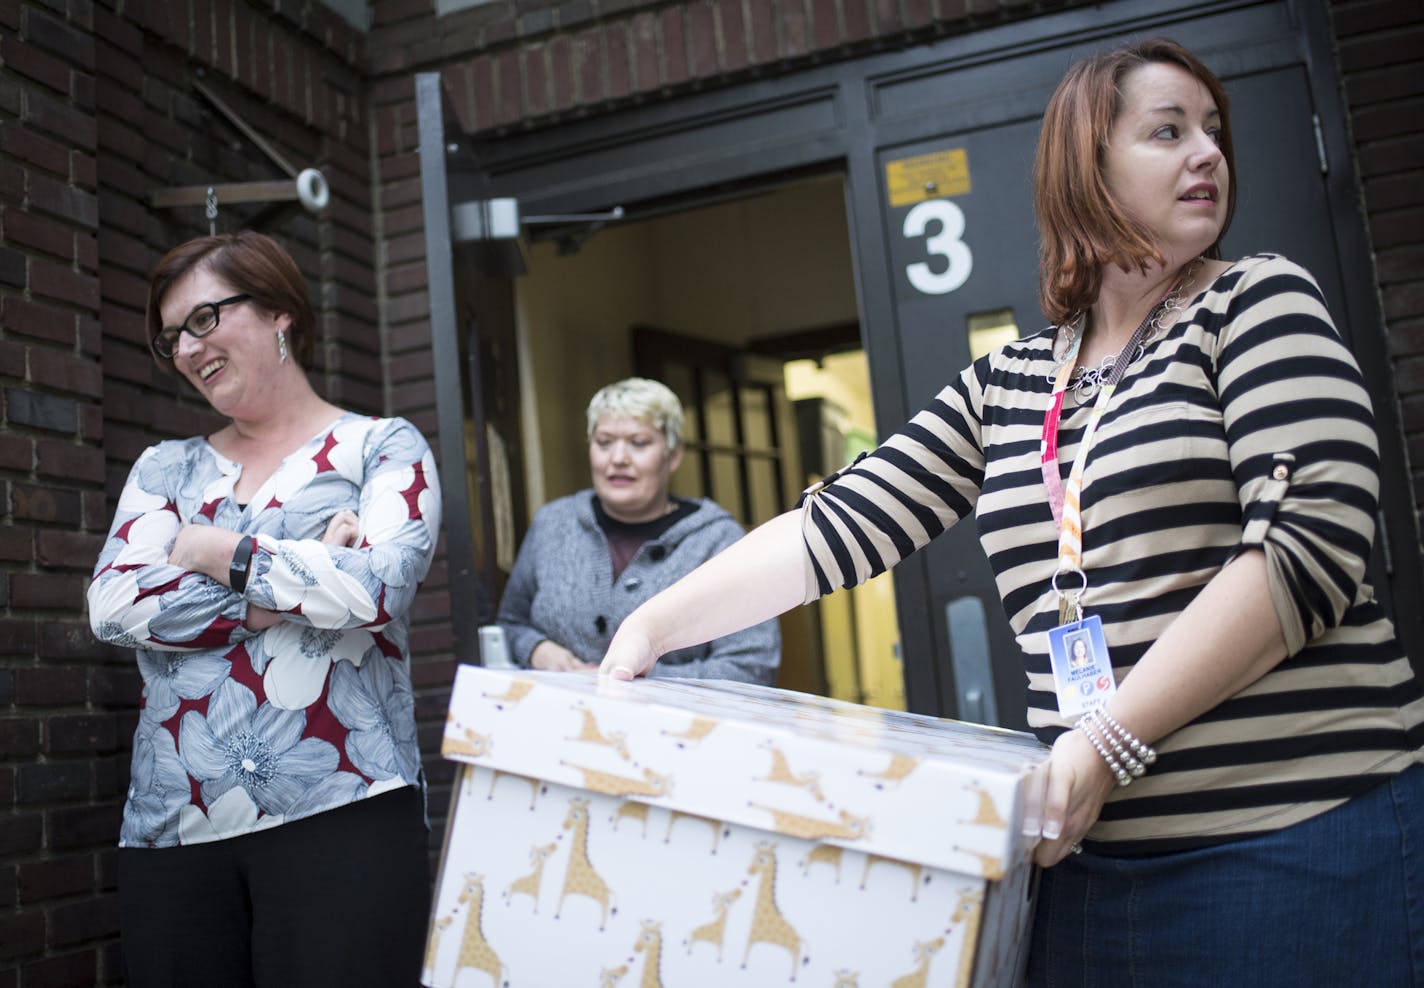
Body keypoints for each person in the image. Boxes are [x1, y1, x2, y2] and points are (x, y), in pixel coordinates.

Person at [600, 38, 1423, 984]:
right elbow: (844, 523)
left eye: (1213, 132)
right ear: (1088, 166)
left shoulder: (1255, 302)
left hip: (1293, 843)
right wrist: (652, 627)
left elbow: (1305, 546)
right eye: (1168, 130)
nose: (1208, 153)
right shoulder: (1014, 381)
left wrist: (1106, 743)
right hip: (1084, 871)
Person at [88, 231, 440, 987]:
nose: (185, 347)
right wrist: (296, 582)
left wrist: (215, 549)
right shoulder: (165, 467)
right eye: (172, 335)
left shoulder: (382, 448)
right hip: (174, 825)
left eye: (204, 318)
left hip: (346, 809)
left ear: (280, 311)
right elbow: (114, 604)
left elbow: (376, 590)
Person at [498, 376, 779, 683]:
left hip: (675, 728)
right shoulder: (552, 525)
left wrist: (635, 676)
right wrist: (536, 650)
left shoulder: (717, 541)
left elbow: (753, 664)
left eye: (638, 443)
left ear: (673, 456)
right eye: (604, 442)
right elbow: (511, 622)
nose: (618, 459)